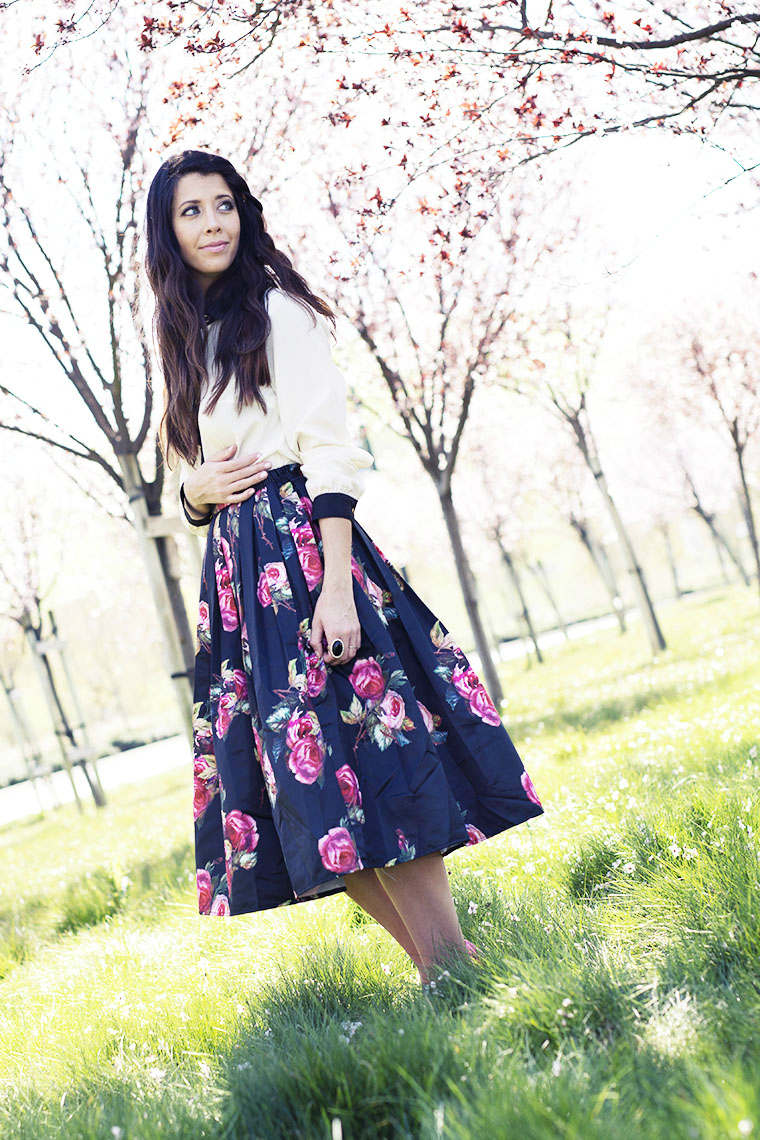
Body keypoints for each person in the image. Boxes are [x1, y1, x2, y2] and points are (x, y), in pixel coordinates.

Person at [144, 149, 544, 987]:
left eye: (224, 205)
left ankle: (449, 963)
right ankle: (445, 972)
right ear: (167, 231)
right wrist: (191, 494)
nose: (212, 223)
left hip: (302, 552)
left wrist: (333, 587)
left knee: (374, 761)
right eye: (192, 211)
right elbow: (199, 469)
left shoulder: (278, 311)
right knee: (307, 791)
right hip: (238, 578)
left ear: (243, 213)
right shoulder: (187, 333)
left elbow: (331, 452)